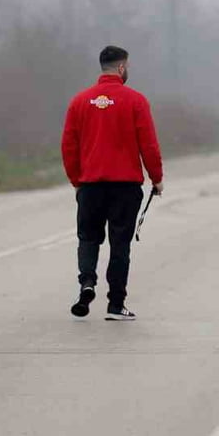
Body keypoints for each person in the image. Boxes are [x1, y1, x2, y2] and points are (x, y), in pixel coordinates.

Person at [61, 45, 163, 322]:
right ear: (121, 67)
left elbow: (68, 146)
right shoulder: (135, 101)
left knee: (88, 237)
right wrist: (157, 177)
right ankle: (115, 304)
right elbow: (149, 144)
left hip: (91, 184)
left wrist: (76, 181)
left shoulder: (79, 102)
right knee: (120, 244)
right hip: (125, 186)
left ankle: (87, 282)